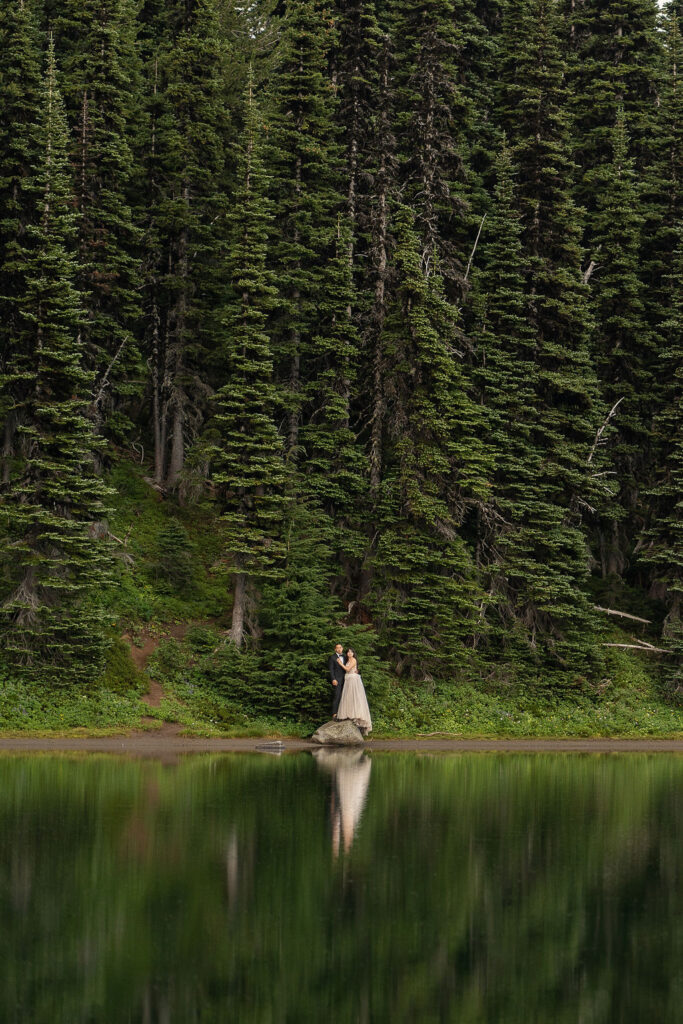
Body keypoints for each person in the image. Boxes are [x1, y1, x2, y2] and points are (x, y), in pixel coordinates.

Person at [336, 648, 372, 734]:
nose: (349, 653)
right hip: (348, 679)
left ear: (353, 653)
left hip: (353, 680)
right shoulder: (347, 659)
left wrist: (340, 663)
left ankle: (356, 716)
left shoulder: (354, 660)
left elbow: (348, 669)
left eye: (351, 652)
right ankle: (348, 715)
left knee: (354, 697)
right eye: (348, 652)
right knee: (348, 697)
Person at [328, 643, 346, 718]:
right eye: (337, 648)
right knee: (337, 695)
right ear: (335, 649)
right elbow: (331, 669)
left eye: (340, 647)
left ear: (342, 648)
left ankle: (344, 713)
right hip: (337, 680)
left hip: (346, 679)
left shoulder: (345, 657)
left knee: (345, 696)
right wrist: (333, 679)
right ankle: (334, 713)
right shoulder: (332, 657)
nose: (339, 649)